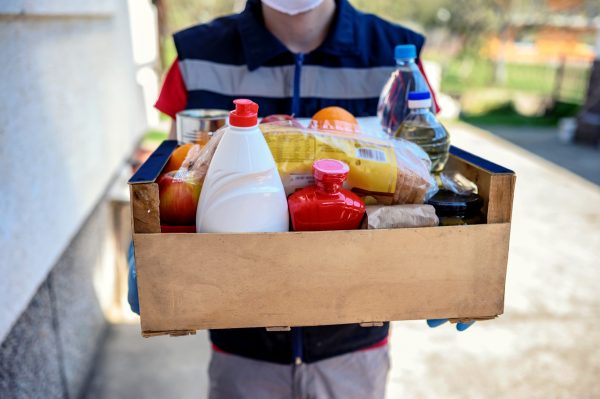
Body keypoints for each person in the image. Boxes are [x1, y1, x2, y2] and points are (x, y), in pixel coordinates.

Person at [130, 0, 472, 398]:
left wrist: (448, 258)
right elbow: (180, 171)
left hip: (355, 347)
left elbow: (424, 165)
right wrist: (145, 246)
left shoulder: (393, 54)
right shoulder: (198, 56)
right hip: (241, 348)